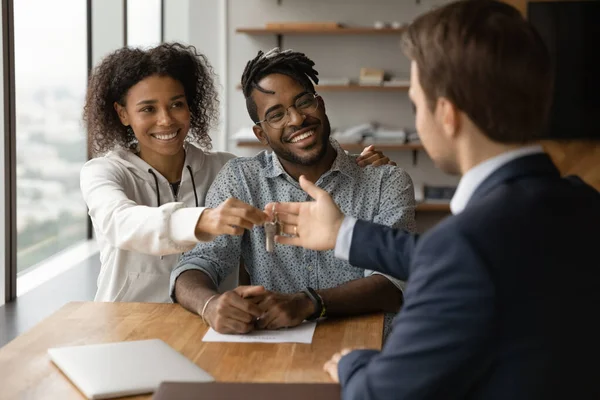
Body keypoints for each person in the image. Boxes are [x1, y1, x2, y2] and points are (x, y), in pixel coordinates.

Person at [268, 1, 600, 399]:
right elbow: (467, 261)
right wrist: (343, 233)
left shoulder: (465, 249)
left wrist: (354, 363)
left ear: (447, 114)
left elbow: (379, 394)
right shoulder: (583, 203)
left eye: (415, 102)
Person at [81, 43, 396, 303]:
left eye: (176, 104)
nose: (166, 120)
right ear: (123, 114)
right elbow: (119, 223)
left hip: (206, 327)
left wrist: (358, 167)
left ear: (191, 107)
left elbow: (290, 161)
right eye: (148, 109)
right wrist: (204, 219)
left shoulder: (225, 170)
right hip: (127, 318)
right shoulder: (104, 172)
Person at [170, 48, 416, 336]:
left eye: (304, 102)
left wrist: (307, 303)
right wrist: (209, 304)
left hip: (366, 346)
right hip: (273, 348)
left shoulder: (385, 181)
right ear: (261, 134)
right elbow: (198, 263)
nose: (297, 119)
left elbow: (394, 282)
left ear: (320, 104)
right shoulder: (241, 179)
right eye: (276, 115)